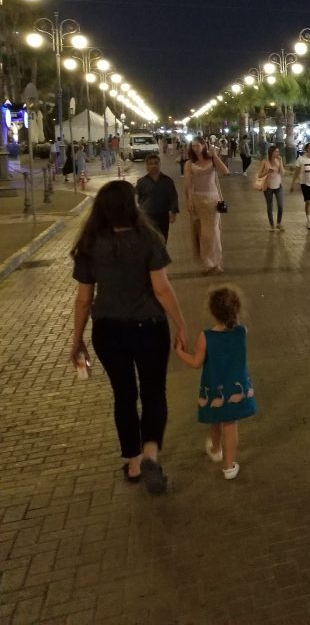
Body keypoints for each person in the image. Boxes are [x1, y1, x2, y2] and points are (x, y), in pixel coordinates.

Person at [70, 180, 189, 494]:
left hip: (108, 330)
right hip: (149, 326)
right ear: (132, 205)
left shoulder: (90, 243)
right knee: (153, 391)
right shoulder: (148, 238)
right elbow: (162, 289)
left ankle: (134, 462)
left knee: (124, 395)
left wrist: (76, 339)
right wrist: (181, 324)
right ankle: (151, 453)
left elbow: (84, 298)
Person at [174, 285, 256, 481]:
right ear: (237, 309)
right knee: (230, 424)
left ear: (212, 311)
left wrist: (179, 352)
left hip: (214, 385)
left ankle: (218, 451)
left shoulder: (206, 337)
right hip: (235, 383)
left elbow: (196, 363)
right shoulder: (242, 332)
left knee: (215, 418)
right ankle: (228, 464)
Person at [184, 136, 230, 275]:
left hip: (212, 200)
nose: (196, 148)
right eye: (193, 146)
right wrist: (189, 200)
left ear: (204, 145)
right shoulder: (189, 164)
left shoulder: (212, 160)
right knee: (201, 233)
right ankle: (207, 263)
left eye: (198, 145)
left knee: (213, 233)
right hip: (198, 200)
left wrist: (215, 156)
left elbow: (226, 171)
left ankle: (216, 262)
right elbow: (188, 184)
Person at [136, 154, 179, 241]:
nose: (154, 165)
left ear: (160, 165)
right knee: (148, 240)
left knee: (163, 238)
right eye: (150, 163)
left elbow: (173, 197)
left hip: (162, 215)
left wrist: (173, 212)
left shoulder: (167, 181)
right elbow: (137, 198)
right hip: (147, 216)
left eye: (156, 163)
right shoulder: (141, 182)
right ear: (147, 166)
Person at [291, 142, 310, 229]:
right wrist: (292, 183)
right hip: (305, 183)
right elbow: (296, 172)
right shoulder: (301, 159)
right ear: (308, 149)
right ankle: (309, 220)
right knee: (308, 201)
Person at [255, 144, 286, 231]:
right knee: (270, 206)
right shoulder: (265, 162)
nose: (278, 153)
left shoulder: (279, 160)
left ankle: (279, 223)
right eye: (276, 151)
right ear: (271, 152)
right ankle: (272, 225)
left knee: (280, 205)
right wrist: (266, 172)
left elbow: (283, 172)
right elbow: (259, 175)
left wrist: (281, 162)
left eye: (278, 151)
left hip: (278, 186)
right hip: (268, 187)